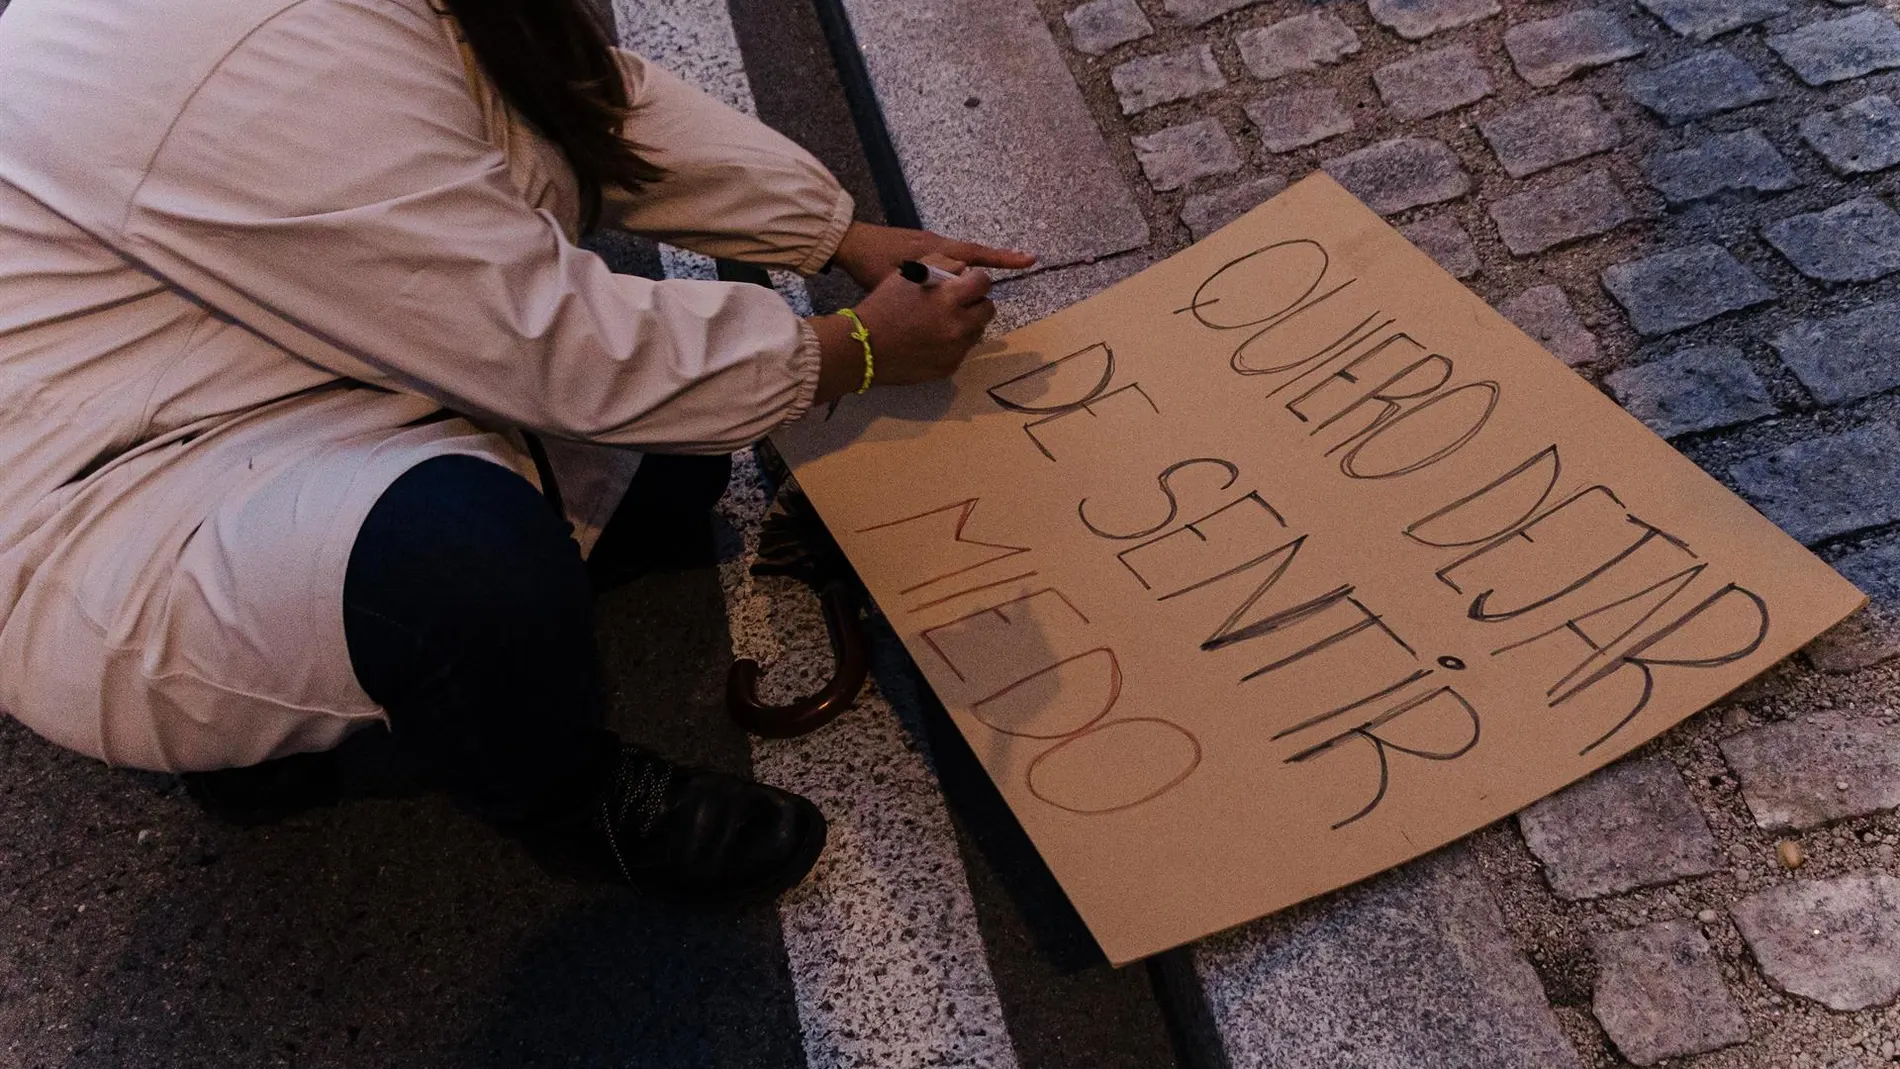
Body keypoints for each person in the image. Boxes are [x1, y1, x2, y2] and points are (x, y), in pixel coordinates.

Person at [0, 0, 1034, 902]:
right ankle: (564, 799)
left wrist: (836, 232)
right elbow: (540, 342)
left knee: (673, 470)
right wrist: (844, 351)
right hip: (120, 499)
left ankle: (433, 671)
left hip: (269, 366)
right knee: (467, 561)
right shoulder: (249, 47)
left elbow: (574, 102)